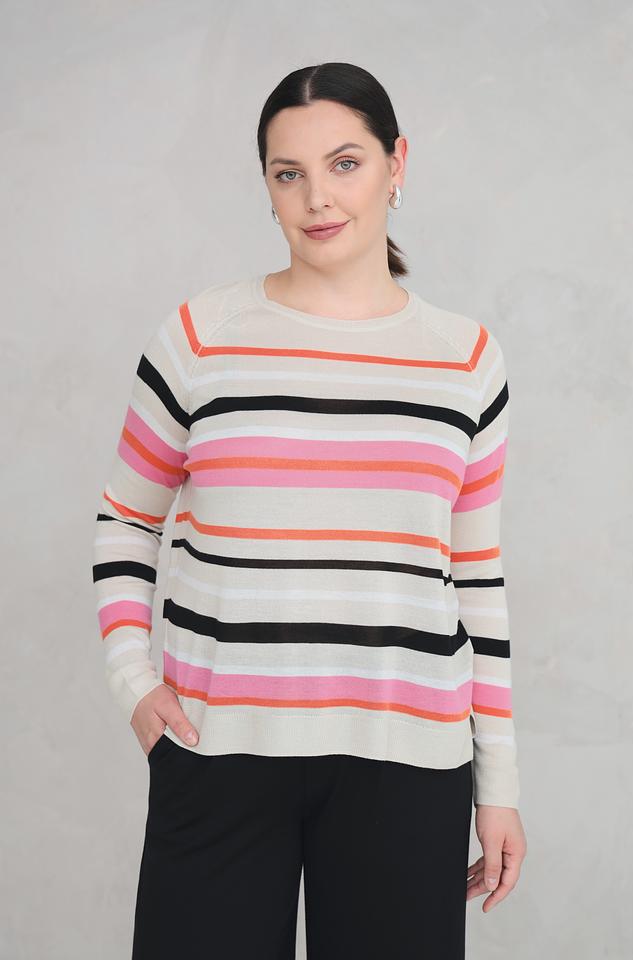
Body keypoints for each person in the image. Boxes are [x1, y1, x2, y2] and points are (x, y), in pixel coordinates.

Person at [92, 61, 527, 959]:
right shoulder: (199, 338)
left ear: (396, 164)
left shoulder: (466, 360)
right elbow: (126, 521)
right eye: (288, 173)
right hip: (216, 749)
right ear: (266, 186)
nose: (317, 198)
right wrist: (134, 683)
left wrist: (500, 784)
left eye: (345, 164)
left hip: (408, 761)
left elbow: (477, 580)